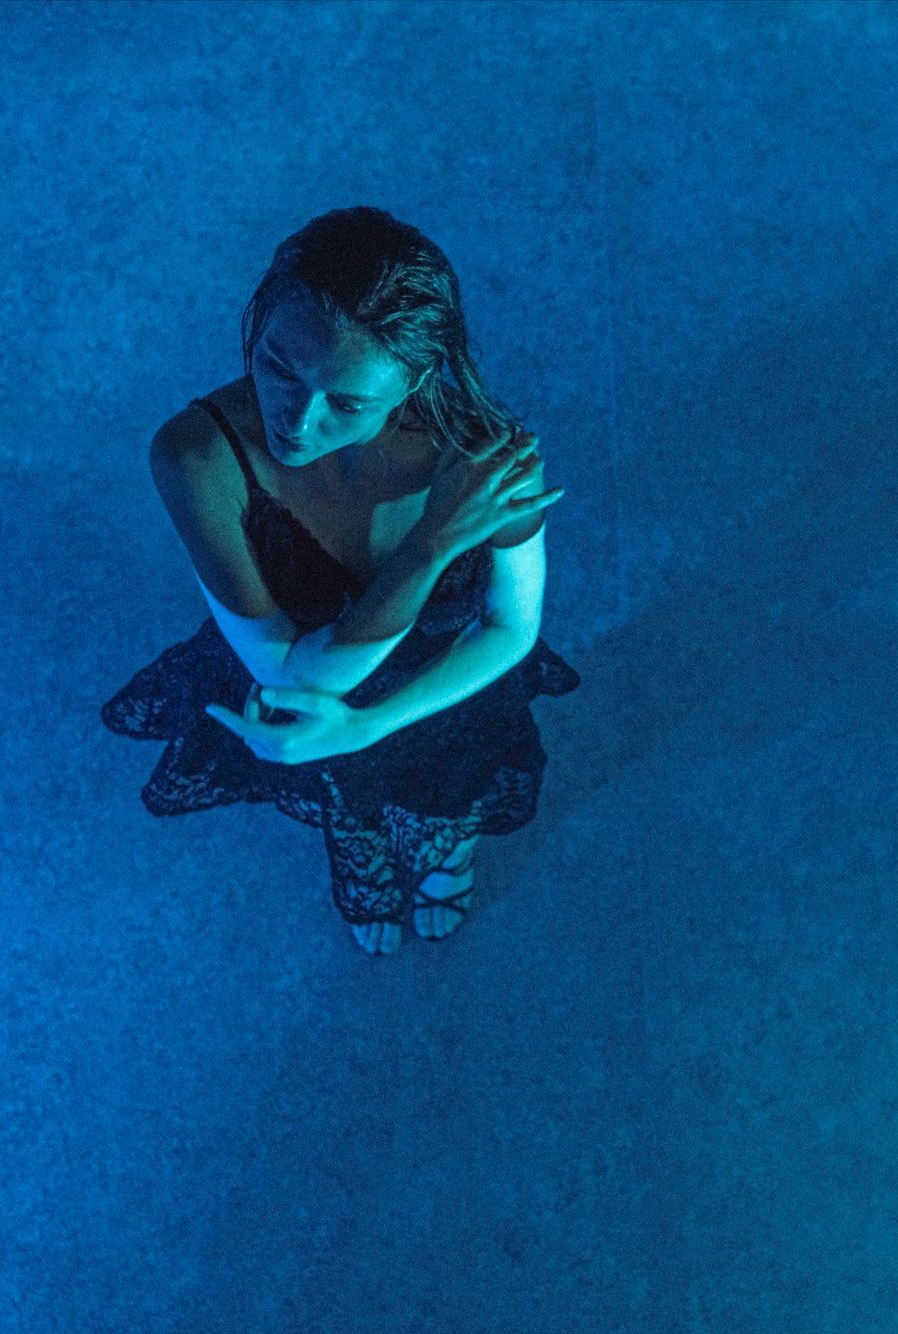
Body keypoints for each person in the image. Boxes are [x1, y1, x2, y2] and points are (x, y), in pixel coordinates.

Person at [100, 207, 580, 955]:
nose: (296, 418)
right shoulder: (196, 456)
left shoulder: (483, 464)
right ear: (257, 323)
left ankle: (443, 860)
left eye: (349, 402)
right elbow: (292, 675)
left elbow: (511, 627)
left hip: (444, 693)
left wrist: (369, 723)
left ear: (416, 378)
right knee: (348, 814)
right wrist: (434, 544)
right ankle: (370, 875)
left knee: (449, 805)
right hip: (303, 685)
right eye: (277, 365)